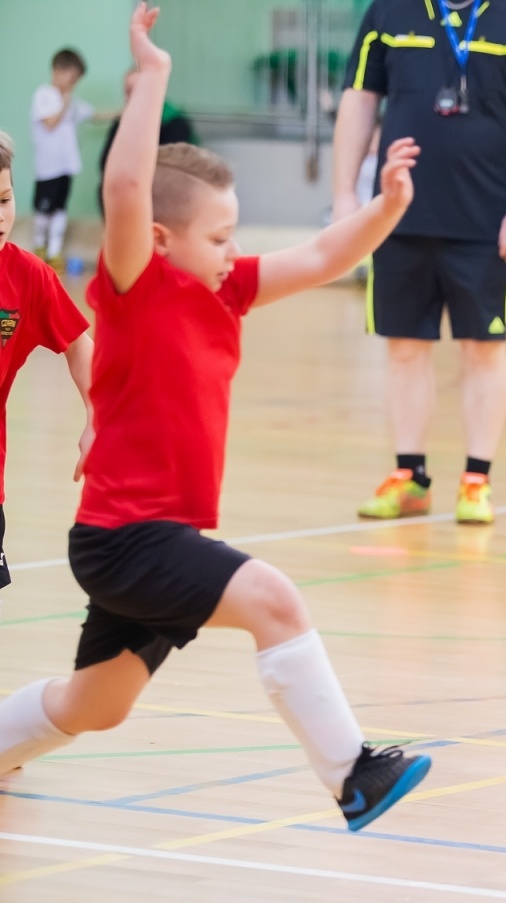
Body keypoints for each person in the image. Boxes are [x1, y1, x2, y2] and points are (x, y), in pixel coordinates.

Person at [0, 5, 432, 832]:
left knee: (98, 705)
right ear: (159, 240)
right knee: (275, 600)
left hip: (157, 538)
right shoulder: (134, 287)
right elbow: (126, 185)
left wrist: (385, 209)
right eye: (220, 236)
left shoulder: (226, 290)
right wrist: (152, 78)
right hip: (126, 539)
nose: (235, 252)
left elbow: (319, 257)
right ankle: (353, 775)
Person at [332, 0, 506, 525]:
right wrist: (346, 196)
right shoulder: (387, 13)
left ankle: (476, 480)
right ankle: (409, 477)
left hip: (486, 219)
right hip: (396, 213)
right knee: (404, 348)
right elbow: (359, 99)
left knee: (483, 348)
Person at [0, 129, 95, 591]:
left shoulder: (28, 278)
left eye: (4, 199)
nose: (0, 217)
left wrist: (98, 417)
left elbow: (80, 343)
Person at [98, 66, 197, 216]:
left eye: (137, 89)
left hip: (164, 190)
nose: (131, 96)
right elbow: (105, 163)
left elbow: (175, 168)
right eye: (128, 91)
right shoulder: (121, 123)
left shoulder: (174, 122)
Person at [30, 48, 96, 270]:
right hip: (47, 168)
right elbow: (50, 123)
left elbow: (94, 114)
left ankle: (54, 252)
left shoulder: (71, 100)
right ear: (59, 70)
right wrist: (66, 102)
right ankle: (39, 247)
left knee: (60, 209)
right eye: (73, 77)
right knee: (44, 210)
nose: (74, 84)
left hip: (66, 166)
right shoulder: (44, 95)